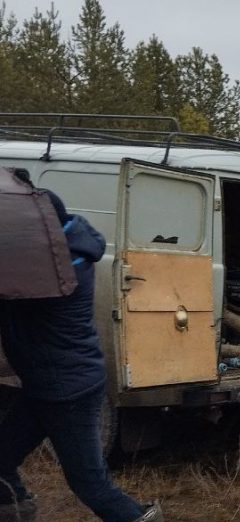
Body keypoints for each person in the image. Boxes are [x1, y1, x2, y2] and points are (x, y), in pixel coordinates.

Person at [0, 181, 162, 522]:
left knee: (90, 484)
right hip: (45, 385)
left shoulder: (55, 274)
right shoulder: (56, 253)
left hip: (67, 391)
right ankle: (16, 510)